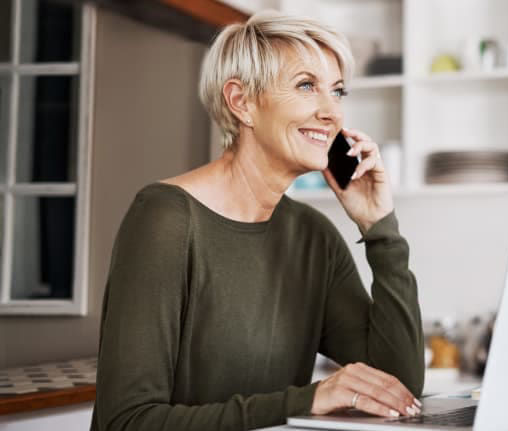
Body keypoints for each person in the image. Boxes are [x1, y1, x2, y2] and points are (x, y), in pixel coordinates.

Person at [90, 10, 424, 431]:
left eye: (337, 91)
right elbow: (127, 422)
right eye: (307, 85)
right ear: (241, 101)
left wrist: (380, 229)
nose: (331, 112)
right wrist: (310, 400)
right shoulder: (165, 219)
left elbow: (399, 388)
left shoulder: (313, 238)